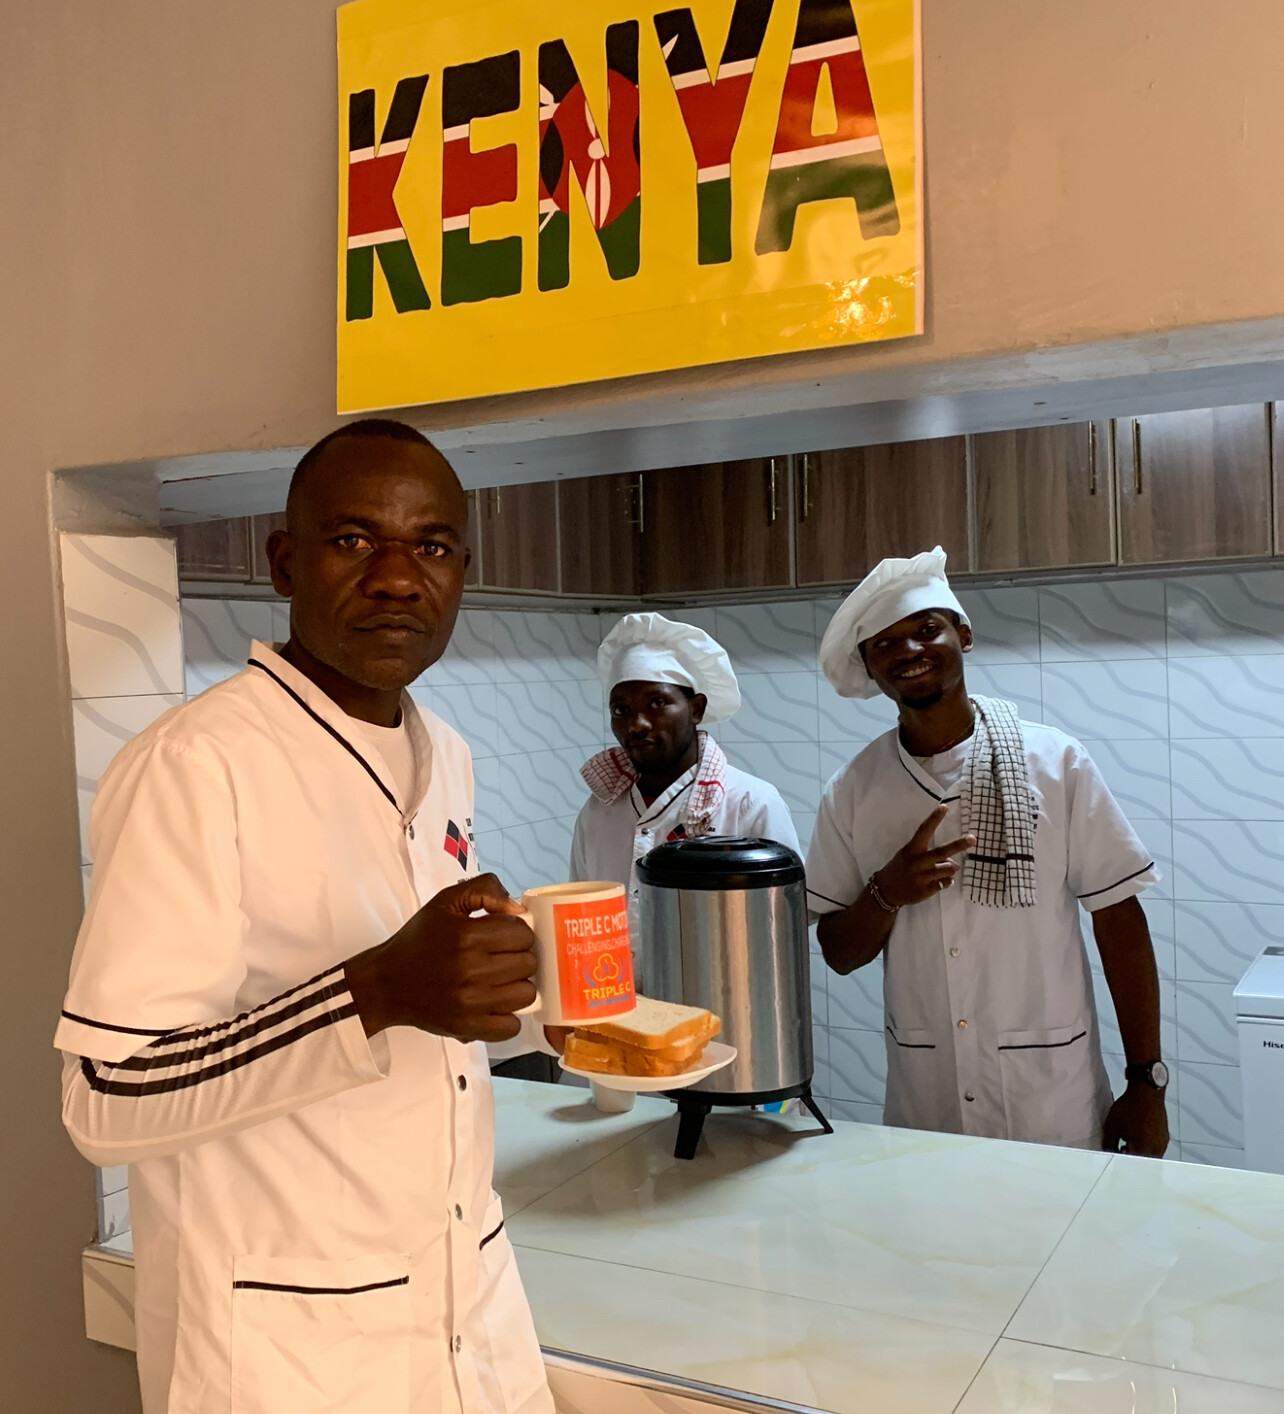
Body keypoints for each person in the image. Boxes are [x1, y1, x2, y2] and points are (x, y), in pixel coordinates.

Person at [56, 420, 560, 1414]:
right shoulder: (197, 765)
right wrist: (373, 992)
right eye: (353, 539)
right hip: (291, 1359)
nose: (397, 578)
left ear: (462, 573)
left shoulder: (446, 753)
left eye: (432, 546)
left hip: (470, 1318)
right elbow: (106, 1097)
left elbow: (430, 1031)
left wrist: (533, 1005)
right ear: (286, 563)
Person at [806, 547, 1170, 1156]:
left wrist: (1146, 1083)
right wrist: (886, 892)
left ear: (964, 635)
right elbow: (838, 953)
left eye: (927, 629)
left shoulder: (1055, 765)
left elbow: (1119, 920)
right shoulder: (854, 790)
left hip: (1051, 1099)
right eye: (884, 644)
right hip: (928, 1105)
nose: (909, 651)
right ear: (869, 667)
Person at [570, 612, 799, 965]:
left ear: (696, 709)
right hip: (614, 997)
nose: (637, 724)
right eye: (621, 709)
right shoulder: (598, 812)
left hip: (722, 996)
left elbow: (784, 928)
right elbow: (579, 920)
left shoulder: (750, 804)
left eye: (657, 703)